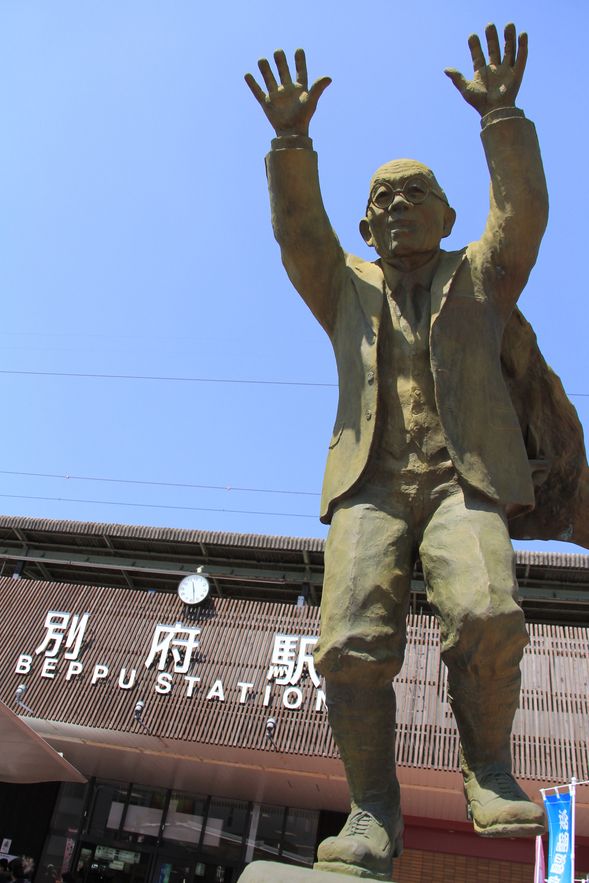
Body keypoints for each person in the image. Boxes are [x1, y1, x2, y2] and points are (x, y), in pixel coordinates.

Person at [245, 24, 587, 881]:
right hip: (369, 484)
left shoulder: (479, 275)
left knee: (486, 612)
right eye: (385, 201)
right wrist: (291, 143)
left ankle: (487, 768)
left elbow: (526, 214)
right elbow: (298, 235)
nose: (399, 209)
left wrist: (501, 115)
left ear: (446, 215)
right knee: (350, 643)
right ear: (368, 223)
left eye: (417, 196)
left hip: (459, 480)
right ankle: (369, 810)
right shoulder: (344, 288)